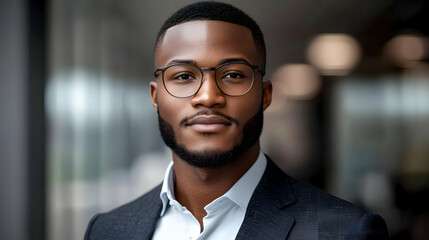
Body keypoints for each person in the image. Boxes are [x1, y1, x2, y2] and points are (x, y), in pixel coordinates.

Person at [84, 1, 389, 239]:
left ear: (265, 95)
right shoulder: (107, 231)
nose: (207, 96)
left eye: (232, 75)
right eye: (183, 76)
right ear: (155, 97)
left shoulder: (345, 232)